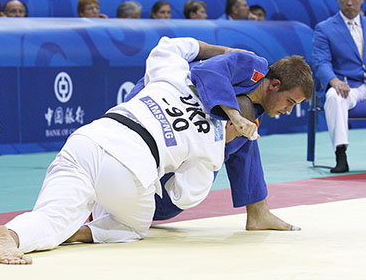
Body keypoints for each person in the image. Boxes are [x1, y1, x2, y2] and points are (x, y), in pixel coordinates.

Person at [0, 37, 267, 264]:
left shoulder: (178, 80)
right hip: (131, 167)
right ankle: (80, 232)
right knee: (132, 226)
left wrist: (221, 50)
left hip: (88, 139)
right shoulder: (213, 149)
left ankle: (12, 234)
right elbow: (182, 196)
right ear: (233, 126)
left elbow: (170, 46)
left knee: (52, 213)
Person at [67, 48, 313, 244]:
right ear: (274, 85)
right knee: (162, 196)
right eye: (290, 101)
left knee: (248, 136)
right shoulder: (252, 65)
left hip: (192, 122)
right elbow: (209, 72)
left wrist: (237, 123)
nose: (290, 110)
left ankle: (258, 212)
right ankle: (110, 203)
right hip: (157, 108)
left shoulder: (254, 103)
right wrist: (234, 117)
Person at [312, 0, 366, 173]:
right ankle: (341, 154)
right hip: (346, 86)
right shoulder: (325, 28)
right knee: (334, 97)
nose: (349, 2)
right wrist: (333, 81)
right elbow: (321, 62)